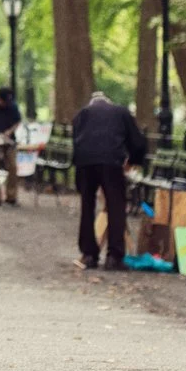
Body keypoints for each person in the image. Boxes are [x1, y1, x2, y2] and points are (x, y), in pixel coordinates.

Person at [69, 89, 150, 268]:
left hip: (85, 161)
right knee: (116, 206)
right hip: (111, 161)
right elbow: (138, 141)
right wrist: (133, 161)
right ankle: (114, 256)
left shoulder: (82, 114)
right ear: (108, 102)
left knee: (87, 206)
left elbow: (76, 141)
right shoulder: (120, 112)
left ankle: (89, 254)